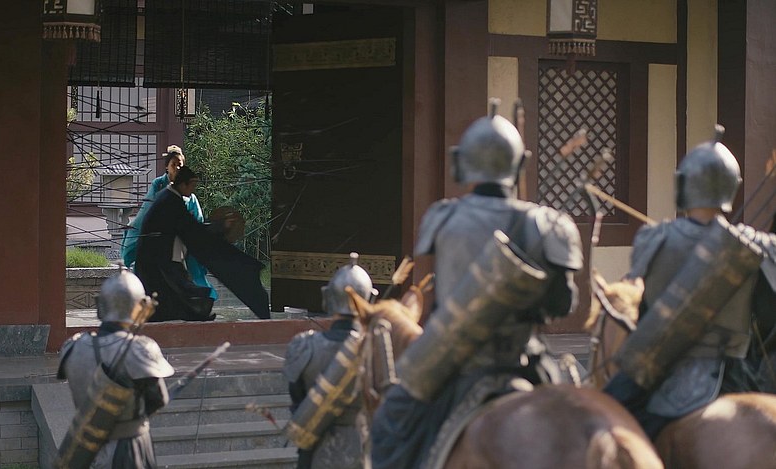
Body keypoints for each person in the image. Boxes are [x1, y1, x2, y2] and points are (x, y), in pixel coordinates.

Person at [370, 100, 584, 469]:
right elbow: (562, 305)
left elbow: (443, 299)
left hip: (457, 366)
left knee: (388, 426)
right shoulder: (548, 224)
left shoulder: (443, 218)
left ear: (461, 162)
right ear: (520, 164)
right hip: (523, 360)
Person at [603, 126, 776, 438]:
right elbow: (765, 317)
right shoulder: (754, 246)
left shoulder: (654, 239)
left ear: (682, 184)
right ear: (733, 187)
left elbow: (647, 312)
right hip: (734, 376)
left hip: (667, 377)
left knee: (612, 429)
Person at [57, 268, 174, 468]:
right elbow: (158, 399)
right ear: (141, 306)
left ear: (99, 305)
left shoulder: (72, 346)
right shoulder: (140, 348)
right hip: (128, 449)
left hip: (83, 447)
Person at [135, 165, 270, 321]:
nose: (193, 189)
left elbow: (189, 227)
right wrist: (220, 227)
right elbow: (191, 229)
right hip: (158, 260)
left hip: (157, 258)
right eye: (192, 185)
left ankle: (194, 313)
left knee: (170, 293)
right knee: (173, 290)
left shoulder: (166, 197)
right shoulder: (171, 201)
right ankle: (196, 313)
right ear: (183, 184)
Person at [282, 253, 374, 469]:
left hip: (314, 448)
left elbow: (297, 398)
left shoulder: (305, 346)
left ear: (328, 297)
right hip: (361, 451)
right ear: (370, 300)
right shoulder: (376, 349)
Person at [121, 145, 217, 301]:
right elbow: (147, 214)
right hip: (160, 246)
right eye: (174, 164)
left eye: (180, 164)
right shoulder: (163, 191)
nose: (177, 167)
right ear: (167, 166)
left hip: (177, 246)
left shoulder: (186, 197)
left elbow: (196, 221)